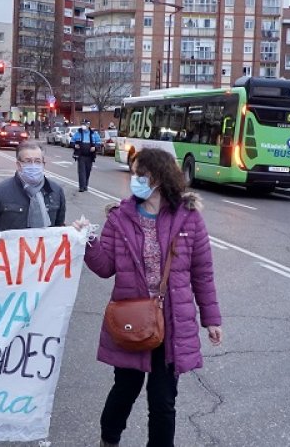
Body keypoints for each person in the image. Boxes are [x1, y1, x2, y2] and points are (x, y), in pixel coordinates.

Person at [75, 148, 222, 447]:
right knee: (125, 390)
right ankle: (109, 440)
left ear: (157, 176)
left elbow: (202, 273)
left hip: (173, 325)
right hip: (132, 320)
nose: (134, 179)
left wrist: (211, 319)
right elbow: (105, 268)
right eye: (133, 173)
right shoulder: (120, 218)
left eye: (139, 174)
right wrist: (88, 241)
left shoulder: (188, 218)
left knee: (163, 403)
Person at [0, 141, 66, 231]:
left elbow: (59, 229)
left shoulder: (56, 191)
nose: (33, 165)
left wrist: (76, 230)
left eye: (37, 161)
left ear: (43, 164)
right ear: (19, 165)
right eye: (28, 161)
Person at [71, 121, 102, 193]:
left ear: (88, 125)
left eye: (85, 124)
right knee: (82, 171)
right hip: (81, 155)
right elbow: (72, 142)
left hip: (90, 155)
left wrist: (95, 147)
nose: (83, 126)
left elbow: (99, 143)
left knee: (88, 171)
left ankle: (85, 185)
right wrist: (75, 145)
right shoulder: (78, 133)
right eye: (82, 124)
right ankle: (81, 186)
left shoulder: (93, 134)